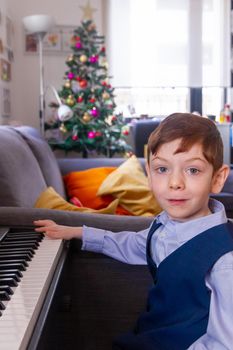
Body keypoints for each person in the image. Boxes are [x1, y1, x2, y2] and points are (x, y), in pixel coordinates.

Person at [34, 113, 233, 350]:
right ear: (149, 175)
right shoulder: (163, 226)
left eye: (192, 170)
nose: (175, 182)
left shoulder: (225, 261)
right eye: (162, 169)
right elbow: (135, 244)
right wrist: (80, 232)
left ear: (217, 179)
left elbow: (224, 343)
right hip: (149, 335)